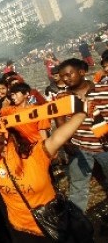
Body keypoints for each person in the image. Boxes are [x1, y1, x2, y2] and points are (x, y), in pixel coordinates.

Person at [0, 103, 88, 242]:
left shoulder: (36, 153)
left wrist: (81, 112)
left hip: (53, 223)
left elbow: (58, 137)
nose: (0, 146)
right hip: (20, 228)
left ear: (13, 137)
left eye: (3, 141)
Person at [56, 58, 108, 212]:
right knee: (78, 188)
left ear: (82, 72)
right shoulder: (62, 97)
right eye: (62, 76)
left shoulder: (103, 89)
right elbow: (59, 119)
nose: (65, 78)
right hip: (79, 148)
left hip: (105, 147)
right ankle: (79, 225)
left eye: (69, 74)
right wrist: (66, 142)